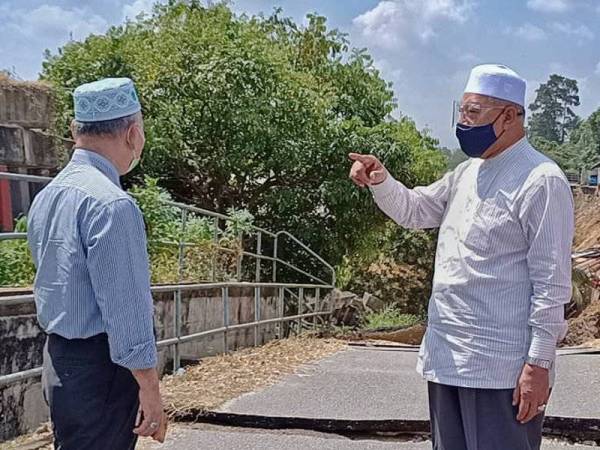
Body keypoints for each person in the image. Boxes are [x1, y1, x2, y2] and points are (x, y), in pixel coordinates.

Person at [349, 64, 573, 450]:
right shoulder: (467, 173)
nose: (463, 123)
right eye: (462, 112)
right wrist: (380, 179)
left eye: (473, 112)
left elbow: (552, 283)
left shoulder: (540, 180)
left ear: (508, 116)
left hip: (500, 368)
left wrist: (538, 364)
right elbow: (415, 210)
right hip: (448, 355)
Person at [27, 77, 167, 449]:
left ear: (76, 131)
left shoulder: (49, 195)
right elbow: (126, 309)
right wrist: (150, 390)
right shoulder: (112, 204)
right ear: (132, 133)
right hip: (102, 367)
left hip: (59, 360)